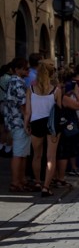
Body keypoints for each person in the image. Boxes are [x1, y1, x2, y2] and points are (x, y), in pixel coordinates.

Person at [26, 59, 62, 197]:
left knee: (37, 155)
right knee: (50, 157)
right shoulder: (56, 90)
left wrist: (26, 124)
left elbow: (28, 111)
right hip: (52, 124)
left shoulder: (31, 89)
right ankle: (46, 187)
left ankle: (37, 181)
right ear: (52, 74)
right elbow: (59, 109)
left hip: (36, 123)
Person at [3, 57, 32, 191]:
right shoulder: (18, 83)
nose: (28, 70)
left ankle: (21, 180)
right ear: (17, 69)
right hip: (19, 122)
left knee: (22, 153)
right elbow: (23, 104)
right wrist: (27, 121)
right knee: (19, 153)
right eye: (25, 68)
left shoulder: (12, 81)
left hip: (14, 121)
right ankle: (16, 182)